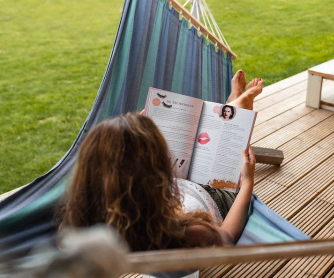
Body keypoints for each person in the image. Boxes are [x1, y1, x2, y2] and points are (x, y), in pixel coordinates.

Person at [59, 70, 263, 251]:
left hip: (180, 187)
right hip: (212, 194)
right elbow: (226, 238)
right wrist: (247, 183)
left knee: (204, 147)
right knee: (225, 149)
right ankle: (235, 108)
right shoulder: (183, 229)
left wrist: (134, 128)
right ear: (155, 173)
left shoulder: (84, 220)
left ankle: (233, 104)